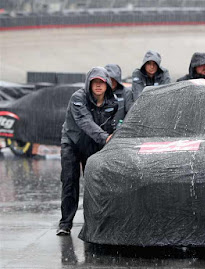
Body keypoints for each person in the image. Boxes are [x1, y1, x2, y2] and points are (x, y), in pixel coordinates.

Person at [56, 66, 118, 236]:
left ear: (107, 84)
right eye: (94, 82)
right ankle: (65, 223)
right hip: (72, 142)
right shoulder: (78, 98)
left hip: (93, 144)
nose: (98, 85)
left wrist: (114, 137)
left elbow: (113, 124)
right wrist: (106, 138)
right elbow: (85, 122)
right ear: (89, 84)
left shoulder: (113, 103)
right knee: (69, 181)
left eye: (102, 82)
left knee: (94, 184)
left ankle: (92, 223)